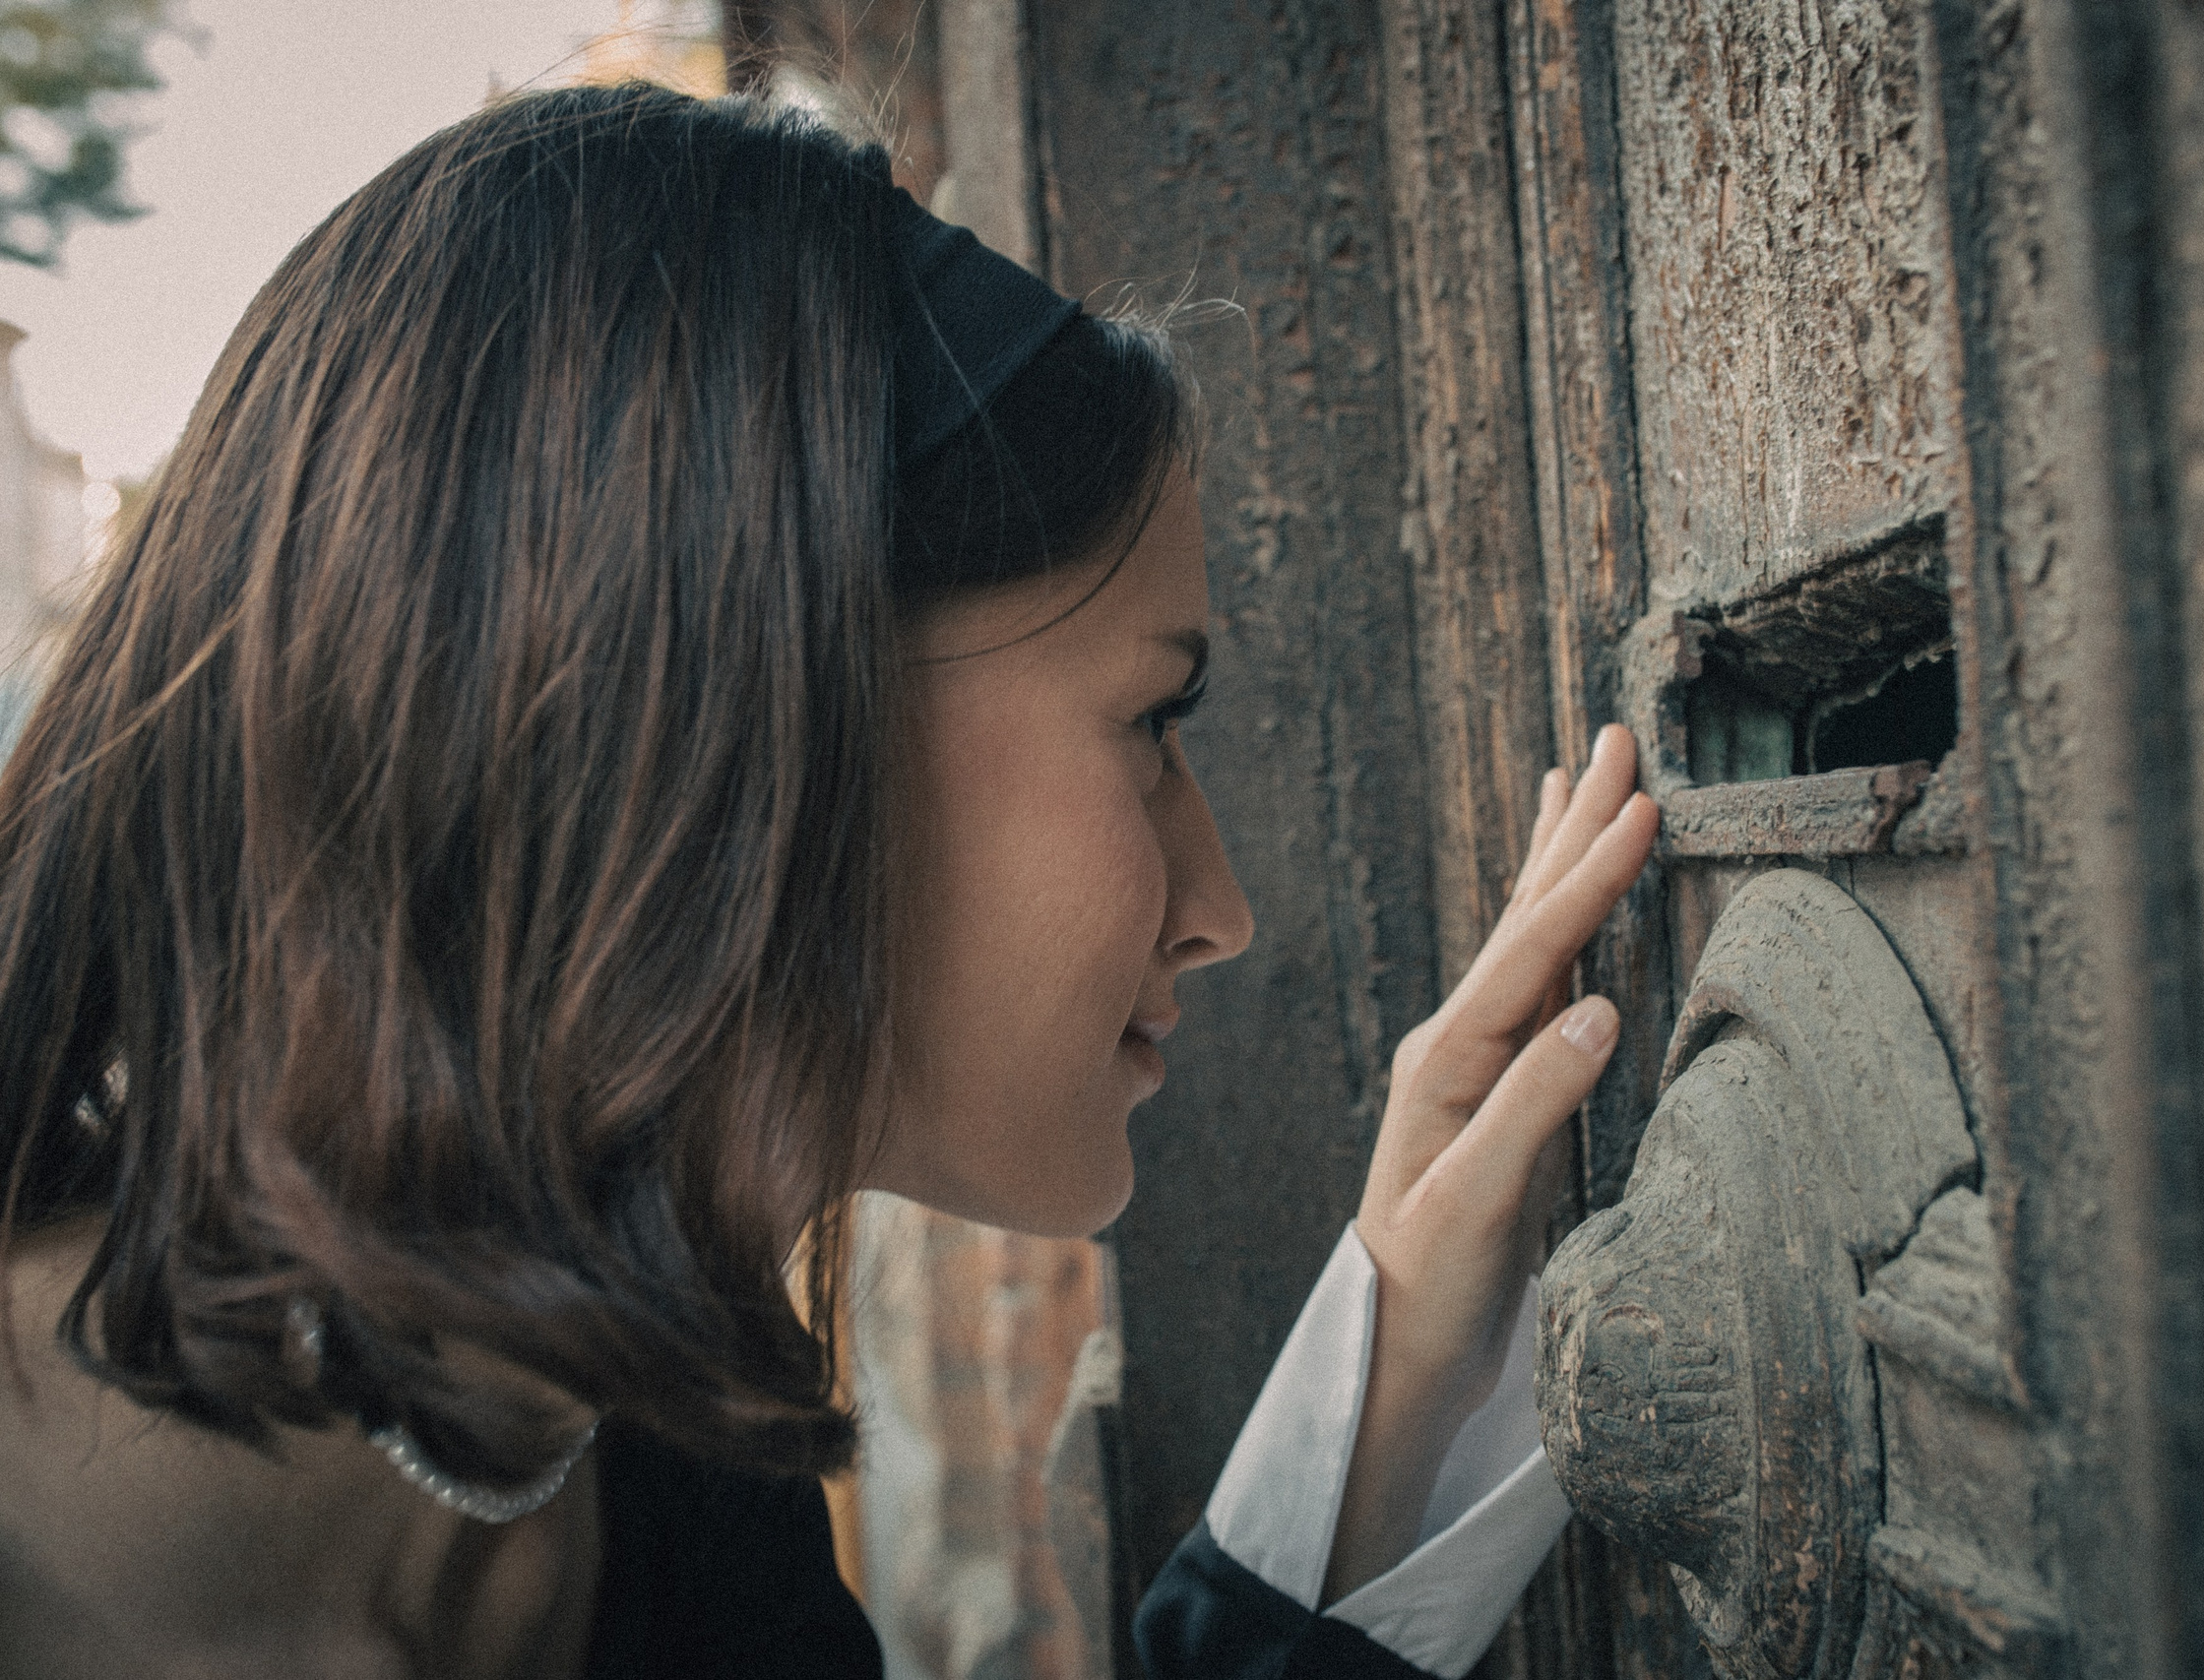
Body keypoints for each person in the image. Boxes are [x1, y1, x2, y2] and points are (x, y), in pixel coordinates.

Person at [0, 85, 1657, 1678]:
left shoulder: (662, 1472)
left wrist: (1397, 1386)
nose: (1218, 908)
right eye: (1154, 718)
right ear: (741, 714)